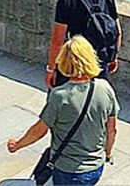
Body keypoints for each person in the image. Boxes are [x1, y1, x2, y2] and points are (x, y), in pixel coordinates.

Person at [8, 36, 119, 185]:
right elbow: (112, 129)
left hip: (67, 170)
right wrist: (108, 152)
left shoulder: (60, 96)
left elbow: (40, 130)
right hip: (95, 167)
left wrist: (17, 144)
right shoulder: (104, 88)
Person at [46, 0, 121, 90]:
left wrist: (52, 69)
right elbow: (117, 30)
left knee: (63, 101)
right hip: (100, 59)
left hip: (74, 62)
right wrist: (113, 57)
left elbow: (58, 39)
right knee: (97, 101)